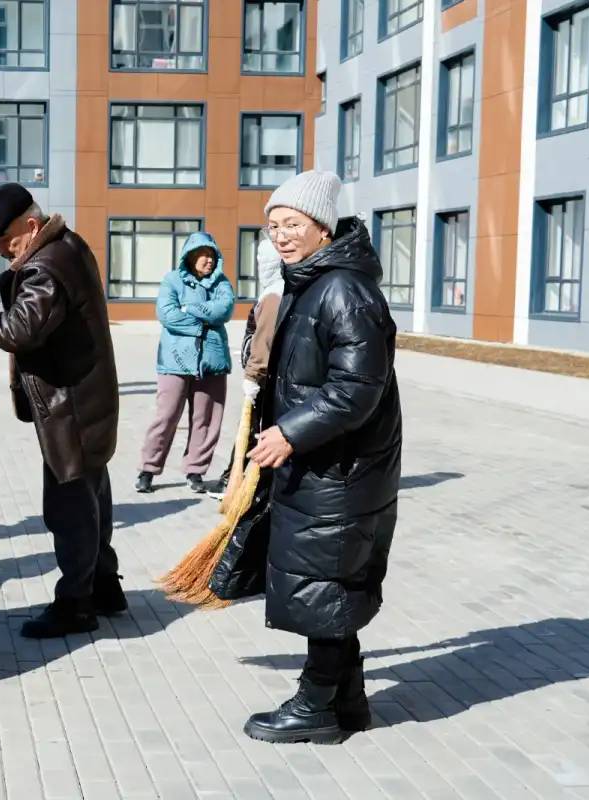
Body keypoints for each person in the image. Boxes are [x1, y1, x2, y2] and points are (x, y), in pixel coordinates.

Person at [241, 170, 401, 744]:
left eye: (293, 224)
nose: (281, 235)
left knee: (325, 584)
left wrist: (289, 432)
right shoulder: (310, 282)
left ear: (323, 228)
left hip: (343, 468)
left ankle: (314, 705)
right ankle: (347, 705)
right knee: (329, 582)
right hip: (326, 464)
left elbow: (358, 388)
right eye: (274, 226)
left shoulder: (344, 290)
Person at [0, 183, 122, 639]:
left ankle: (76, 605)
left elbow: (19, 330)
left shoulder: (47, 265)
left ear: (31, 227)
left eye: (8, 243)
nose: (2, 252)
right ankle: (105, 587)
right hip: (86, 401)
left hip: (69, 408)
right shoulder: (69, 245)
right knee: (93, 498)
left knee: (69, 508)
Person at [136, 231, 235, 495]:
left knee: (206, 419)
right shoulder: (172, 281)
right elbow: (167, 315)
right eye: (203, 255)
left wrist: (189, 309)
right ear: (190, 257)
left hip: (212, 362)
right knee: (166, 416)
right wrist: (204, 323)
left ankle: (195, 471)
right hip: (174, 362)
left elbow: (224, 310)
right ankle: (147, 469)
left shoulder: (222, 283)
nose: (209, 261)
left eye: (212, 255)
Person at [205, 237, 284, 496]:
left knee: (252, 430)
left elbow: (264, 340)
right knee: (252, 430)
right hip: (269, 377)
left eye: (265, 260)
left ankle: (235, 482)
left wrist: (253, 376)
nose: (260, 265)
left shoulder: (275, 294)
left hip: (266, 379)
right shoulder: (275, 289)